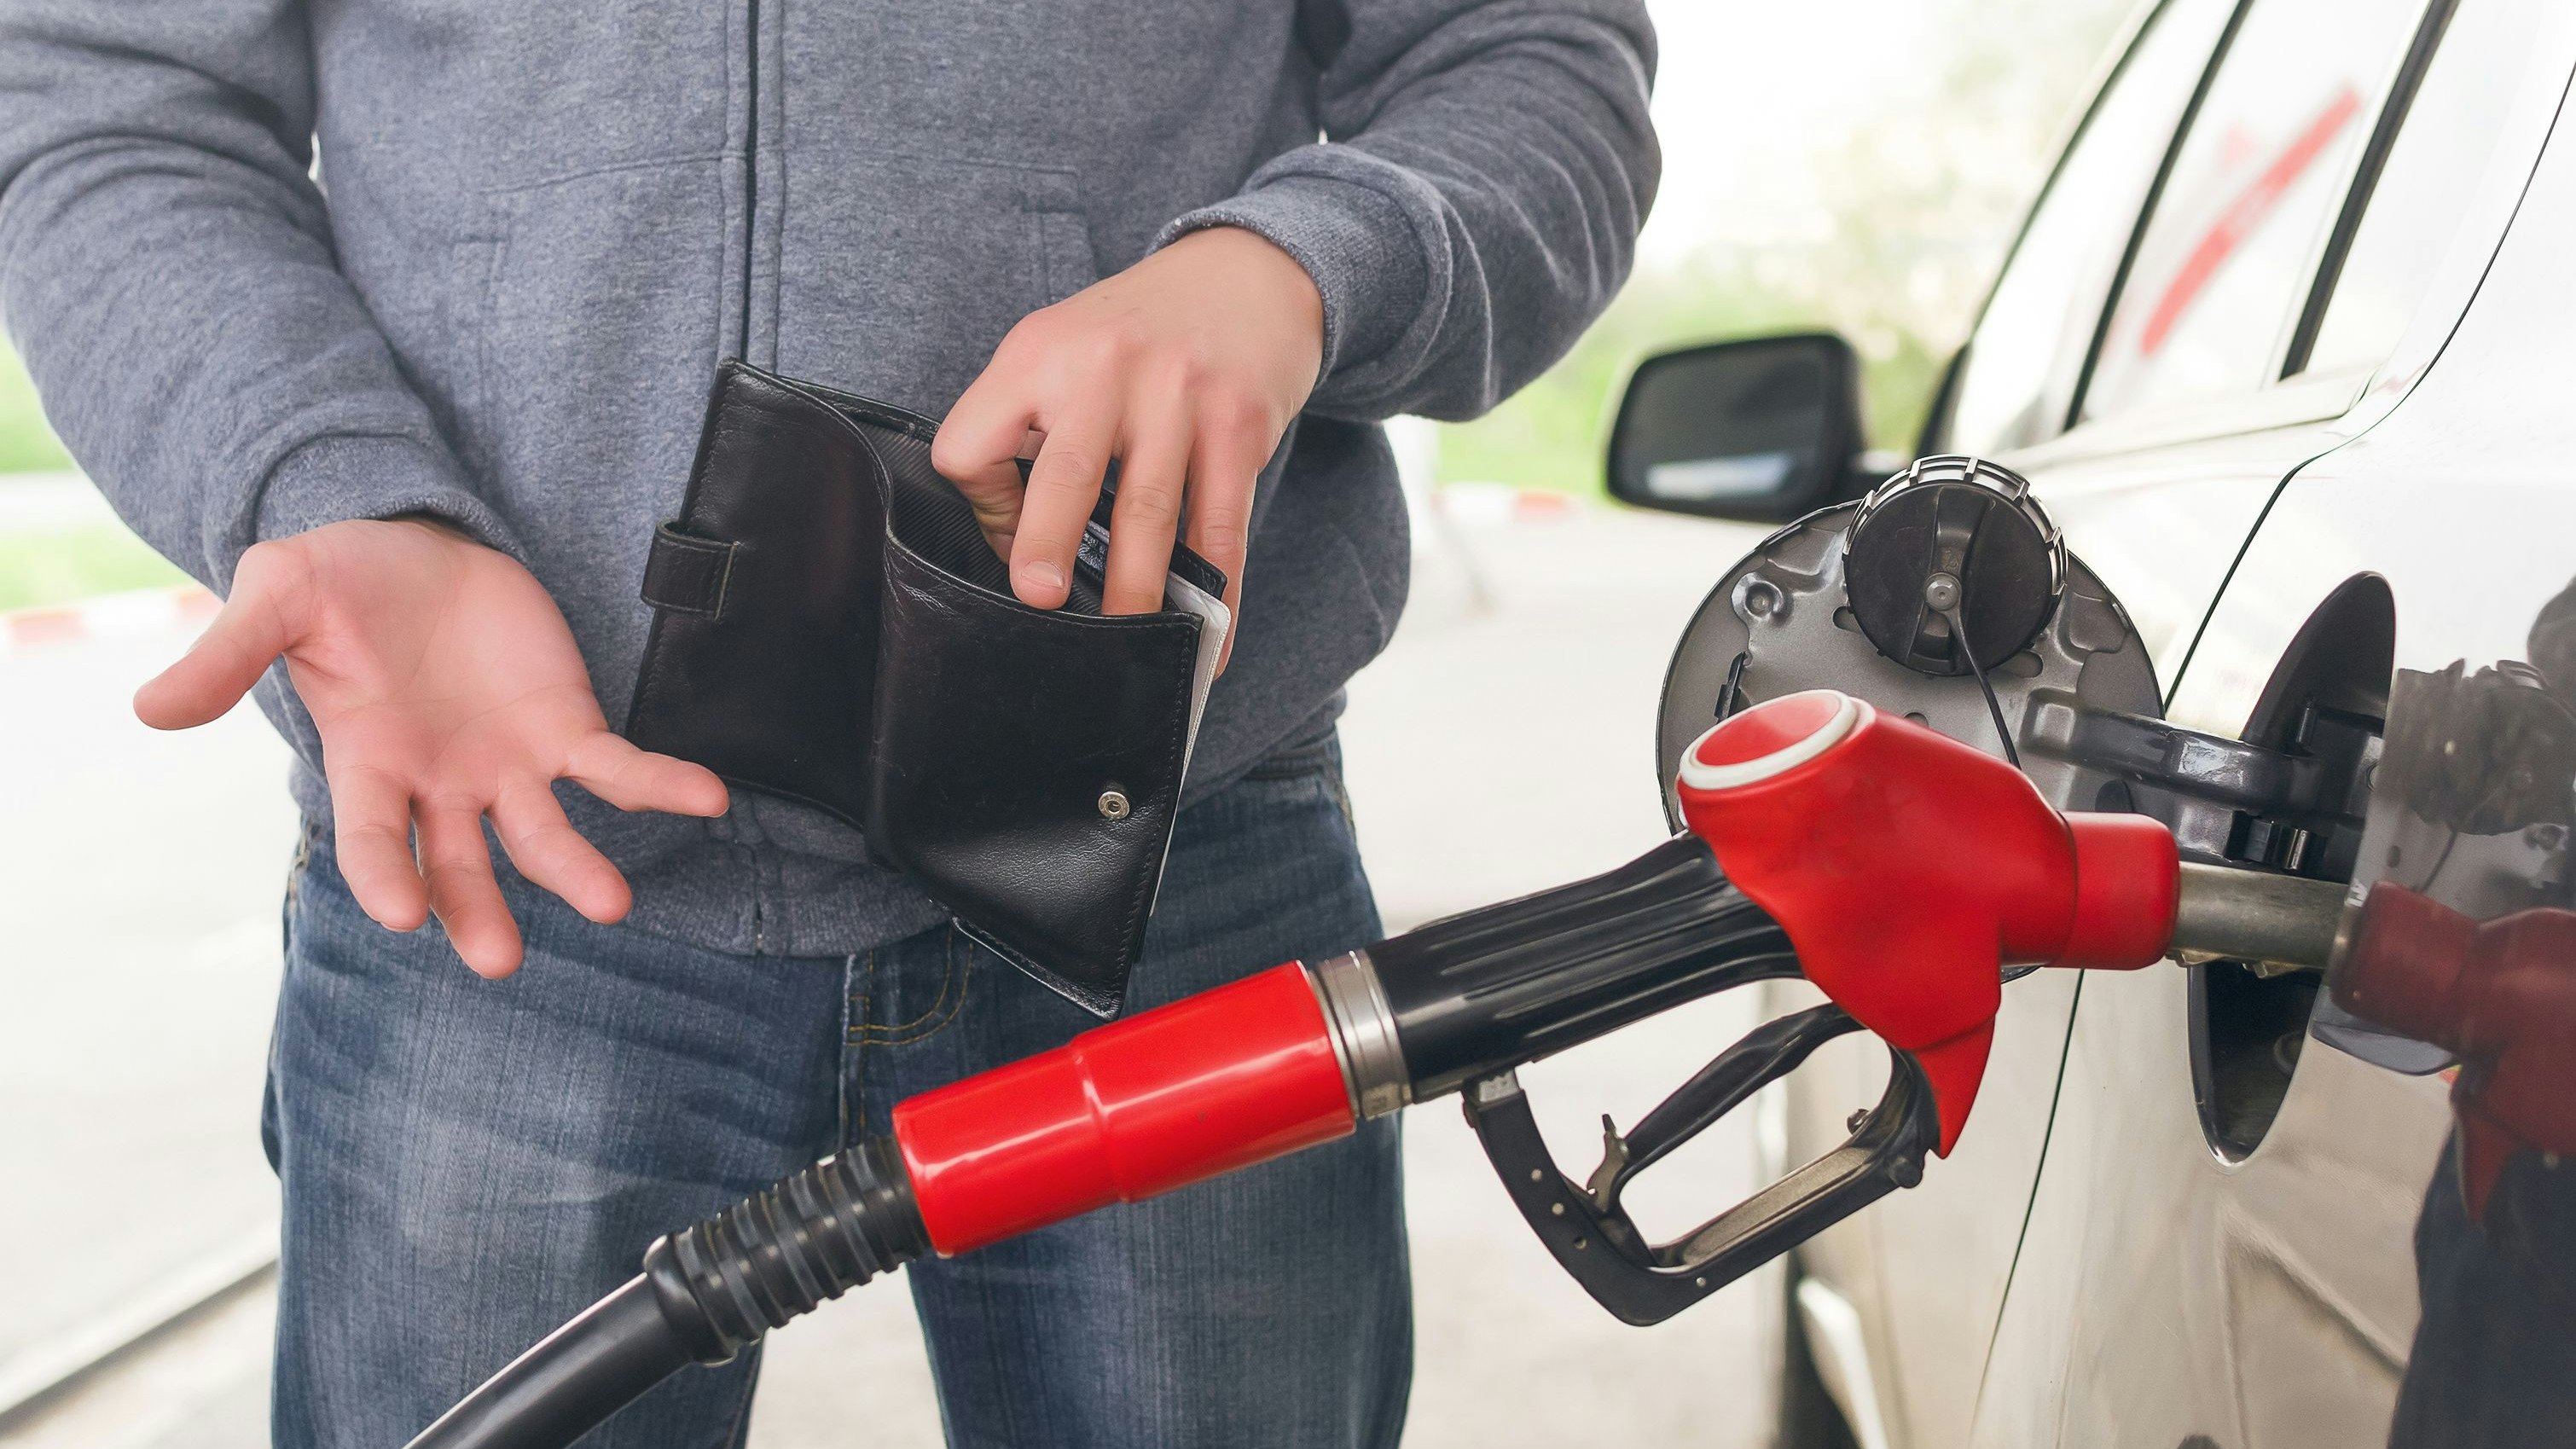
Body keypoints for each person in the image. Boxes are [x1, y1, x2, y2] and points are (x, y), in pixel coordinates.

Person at [0, 3, 1656, 1444]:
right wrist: (328, 479)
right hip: (510, 838)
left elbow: (1525, 57)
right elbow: (102, 105)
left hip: (1165, 841)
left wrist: (1297, 264)